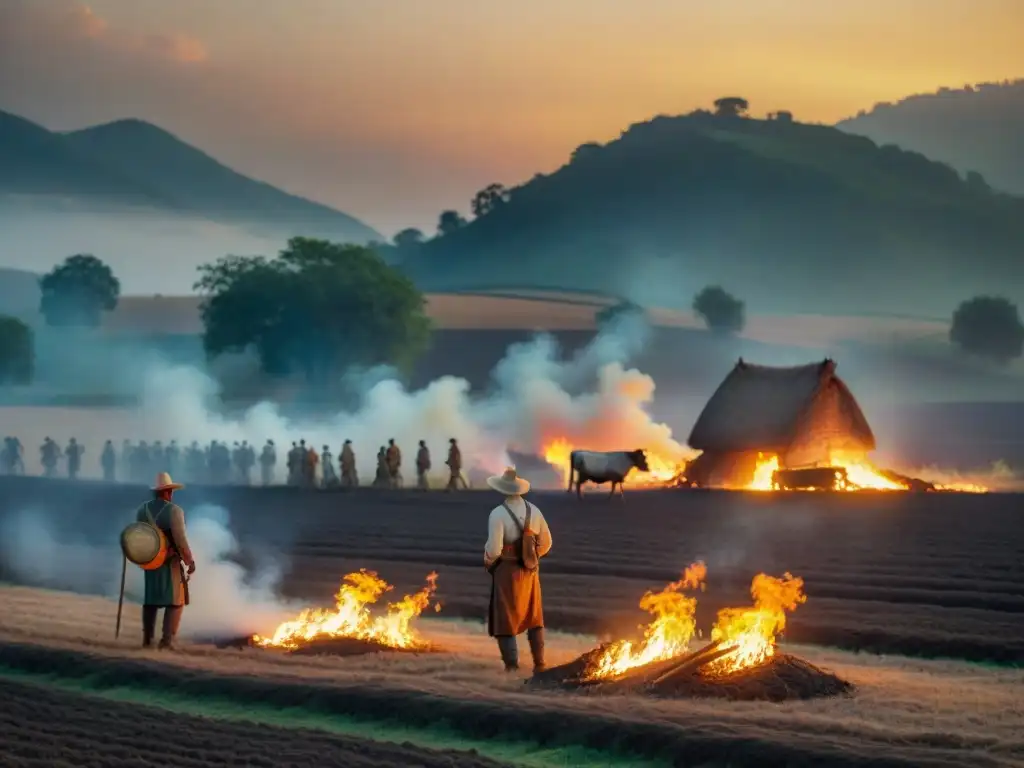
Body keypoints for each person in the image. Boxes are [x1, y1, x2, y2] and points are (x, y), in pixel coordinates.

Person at [483, 466, 552, 673]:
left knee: (505, 618)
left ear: (503, 489)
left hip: (507, 571)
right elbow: (547, 542)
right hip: (530, 571)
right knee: (534, 616)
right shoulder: (535, 511)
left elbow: (494, 549)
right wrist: (531, 556)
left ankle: (512, 667)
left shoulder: (497, 514)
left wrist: (488, 560)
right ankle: (540, 664)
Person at [135, 472, 195, 650]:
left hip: (150, 561)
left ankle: (147, 640)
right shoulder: (174, 511)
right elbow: (180, 539)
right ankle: (167, 641)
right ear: (168, 492)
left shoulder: (142, 510)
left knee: (151, 601)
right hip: (170, 562)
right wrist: (189, 560)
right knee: (176, 601)